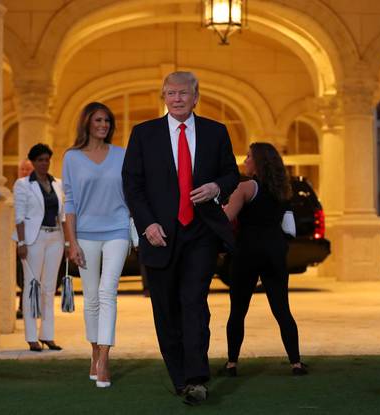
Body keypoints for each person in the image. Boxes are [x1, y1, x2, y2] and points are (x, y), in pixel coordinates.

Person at [122, 71, 239, 405]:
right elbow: (132, 184)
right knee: (166, 309)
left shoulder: (216, 132)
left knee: (194, 303)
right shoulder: (144, 134)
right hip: (159, 234)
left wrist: (217, 187)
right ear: (163, 96)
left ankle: (196, 378)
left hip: (201, 232)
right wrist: (147, 225)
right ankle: (179, 377)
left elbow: (232, 173)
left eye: (183, 93)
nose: (177, 98)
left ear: (196, 96)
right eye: (170, 93)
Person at [221, 142, 307, 377]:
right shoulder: (283, 189)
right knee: (282, 309)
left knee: (238, 310)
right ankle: (296, 362)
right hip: (275, 251)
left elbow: (227, 217)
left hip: (247, 251)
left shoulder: (246, 187)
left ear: (258, 162)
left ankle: (231, 363)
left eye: (248, 156)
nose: (244, 160)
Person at [63, 102, 130, 388]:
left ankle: (104, 358)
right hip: (85, 234)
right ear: (87, 123)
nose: (104, 125)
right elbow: (69, 202)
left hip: (118, 230)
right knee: (90, 297)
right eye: (98, 120)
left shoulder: (122, 155)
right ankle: (94, 350)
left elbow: (132, 193)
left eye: (107, 121)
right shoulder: (72, 158)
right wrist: (72, 241)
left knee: (107, 292)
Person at [12, 144, 65, 352]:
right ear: (33, 162)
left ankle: (48, 335)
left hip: (55, 238)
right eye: (40, 160)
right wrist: (21, 242)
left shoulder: (58, 184)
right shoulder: (23, 184)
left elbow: (63, 215)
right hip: (33, 239)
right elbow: (19, 215)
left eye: (47, 159)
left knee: (49, 288)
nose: (44, 163)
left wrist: (68, 242)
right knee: (31, 286)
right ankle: (31, 336)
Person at [15, 158, 34, 320]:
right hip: (20, 238)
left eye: (28, 169)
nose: (25, 172)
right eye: (23, 169)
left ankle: (30, 307)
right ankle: (23, 306)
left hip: (36, 236)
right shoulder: (18, 186)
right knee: (22, 274)